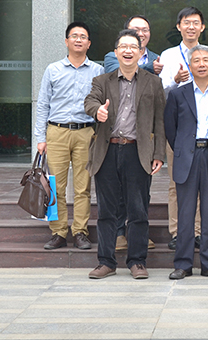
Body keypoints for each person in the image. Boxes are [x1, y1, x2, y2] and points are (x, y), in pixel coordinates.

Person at [84, 29, 166, 280]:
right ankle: (106, 261)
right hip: (107, 150)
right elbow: (90, 102)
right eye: (123, 47)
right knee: (107, 211)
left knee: (138, 210)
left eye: (133, 47)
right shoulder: (102, 80)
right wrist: (98, 111)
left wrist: (159, 153)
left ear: (141, 53)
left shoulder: (153, 82)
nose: (128, 51)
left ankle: (137, 261)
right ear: (116, 52)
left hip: (137, 152)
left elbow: (159, 121)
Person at [165, 45, 208, 281]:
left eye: (206, 60)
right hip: (187, 157)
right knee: (185, 214)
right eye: (197, 60)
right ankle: (183, 264)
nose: (202, 64)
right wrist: (184, 149)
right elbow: (171, 128)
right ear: (190, 65)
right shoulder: (177, 95)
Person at [35, 22, 103, 251]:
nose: (78, 39)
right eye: (74, 36)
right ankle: (58, 232)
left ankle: (80, 231)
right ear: (66, 41)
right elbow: (43, 104)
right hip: (57, 132)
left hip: (86, 132)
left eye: (83, 36)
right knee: (56, 186)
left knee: (83, 187)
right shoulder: (52, 69)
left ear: (89, 43)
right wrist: (40, 137)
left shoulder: (97, 71)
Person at [158, 7, 208, 249]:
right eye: (186, 22)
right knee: (177, 183)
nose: (191, 27)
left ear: (202, 27)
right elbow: (160, 92)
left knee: (205, 185)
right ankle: (177, 232)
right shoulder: (168, 55)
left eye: (195, 22)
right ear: (179, 26)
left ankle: (198, 232)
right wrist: (175, 81)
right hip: (180, 127)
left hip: (205, 129)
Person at [102, 15, 162, 252]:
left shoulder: (157, 58)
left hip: (142, 138)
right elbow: (118, 71)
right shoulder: (113, 56)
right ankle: (118, 233)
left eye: (145, 29)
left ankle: (138, 237)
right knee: (117, 193)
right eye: (136, 29)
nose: (141, 33)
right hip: (115, 138)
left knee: (140, 194)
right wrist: (149, 68)